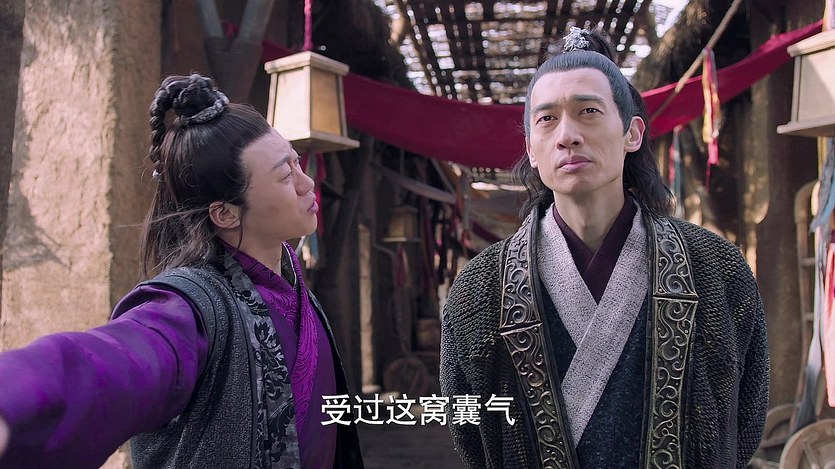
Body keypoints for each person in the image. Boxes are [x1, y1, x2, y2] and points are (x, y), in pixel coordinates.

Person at [440, 28, 769, 468]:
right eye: (547, 119)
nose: (567, 135)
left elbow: (745, 420)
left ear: (632, 133)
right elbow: (471, 437)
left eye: (588, 111)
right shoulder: (479, 290)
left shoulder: (715, 268)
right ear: (531, 149)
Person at [0, 74, 364, 469]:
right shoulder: (193, 308)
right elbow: (118, 360)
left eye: (297, 163)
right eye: (285, 176)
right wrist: (14, 402)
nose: (307, 183)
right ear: (225, 213)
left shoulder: (291, 284)